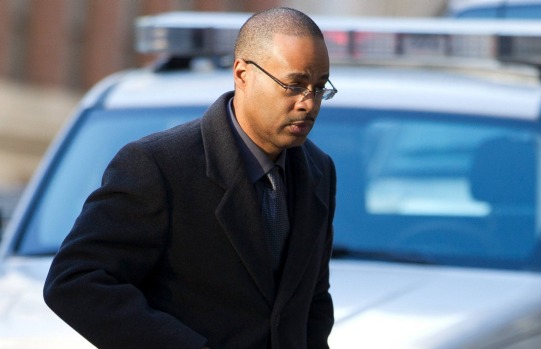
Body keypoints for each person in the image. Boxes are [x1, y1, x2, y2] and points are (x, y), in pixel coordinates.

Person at [43, 7, 337, 349]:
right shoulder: (157, 165)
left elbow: (312, 302)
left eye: (319, 88)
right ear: (242, 74)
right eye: (294, 84)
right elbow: (75, 281)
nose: (309, 103)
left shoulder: (319, 171)